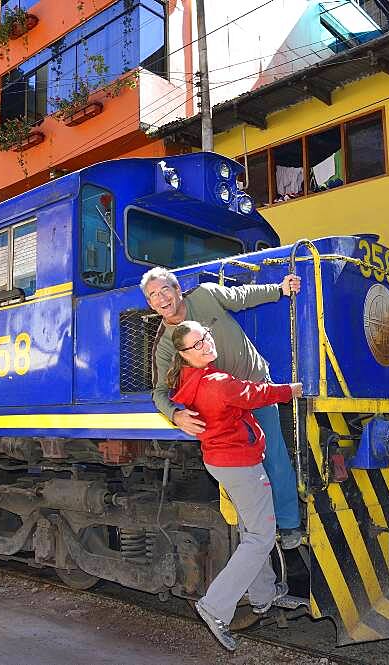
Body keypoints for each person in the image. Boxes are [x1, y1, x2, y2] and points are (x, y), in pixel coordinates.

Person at [142, 266, 303, 548]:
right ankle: (257, 531)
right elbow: (158, 392)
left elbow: (242, 296)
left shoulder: (205, 294)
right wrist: (175, 414)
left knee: (274, 455)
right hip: (225, 408)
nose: (161, 298)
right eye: (152, 295)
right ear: (150, 304)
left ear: (178, 289)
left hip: (254, 386)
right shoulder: (164, 344)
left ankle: (289, 524)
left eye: (165, 289)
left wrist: (279, 289)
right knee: (242, 468)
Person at [169, 320, 302, 651]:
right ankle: (214, 607)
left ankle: (264, 595)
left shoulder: (193, 379)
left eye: (206, 338)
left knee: (250, 531)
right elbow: (255, 393)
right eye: (196, 344)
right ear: (184, 353)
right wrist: (291, 390)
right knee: (260, 536)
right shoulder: (215, 383)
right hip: (240, 464)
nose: (206, 345)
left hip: (221, 460)